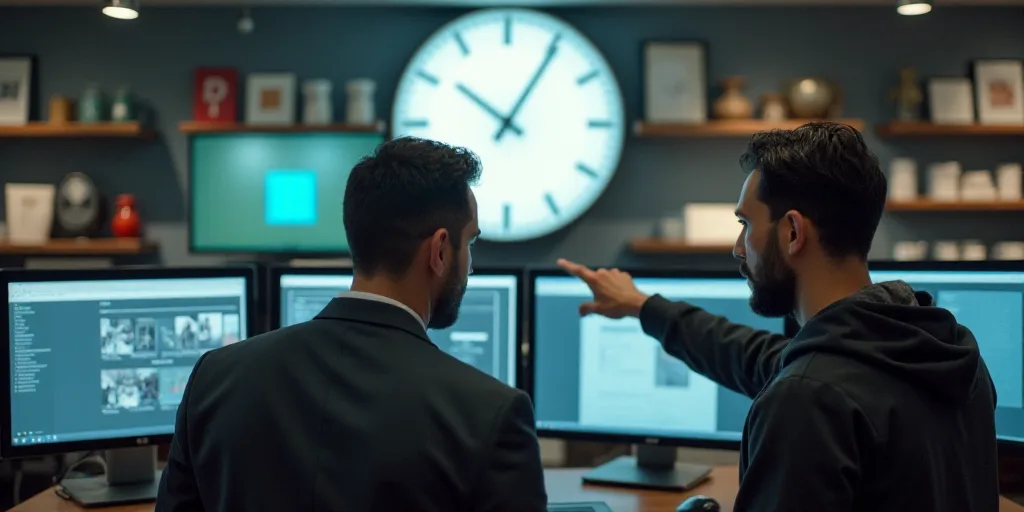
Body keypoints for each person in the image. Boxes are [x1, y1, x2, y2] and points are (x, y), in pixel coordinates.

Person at [558, 122, 998, 511]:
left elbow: (797, 379)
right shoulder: (950, 355)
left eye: (745, 224)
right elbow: (755, 355)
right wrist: (642, 305)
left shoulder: (809, 396)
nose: (737, 247)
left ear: (792, 231)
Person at [156, 137, 547, 512]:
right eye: (470, 243)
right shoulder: (491, 414)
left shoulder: (214, 378)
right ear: (440, 250)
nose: (471, 265)